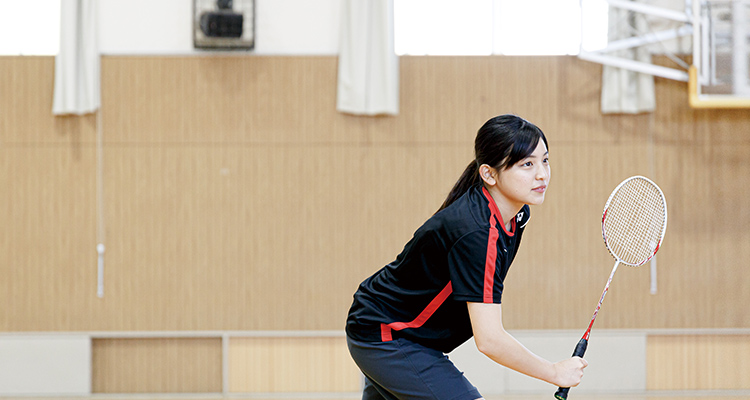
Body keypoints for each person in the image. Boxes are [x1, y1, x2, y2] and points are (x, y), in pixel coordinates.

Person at [345, 114, 588, 400]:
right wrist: (554, 372)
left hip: (397, 332)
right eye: (526, 164)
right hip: (388, 335)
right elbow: (490, 340)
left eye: (544, 160)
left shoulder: (517, 215)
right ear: (489, 174)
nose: (542, 174)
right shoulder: (477, 232)